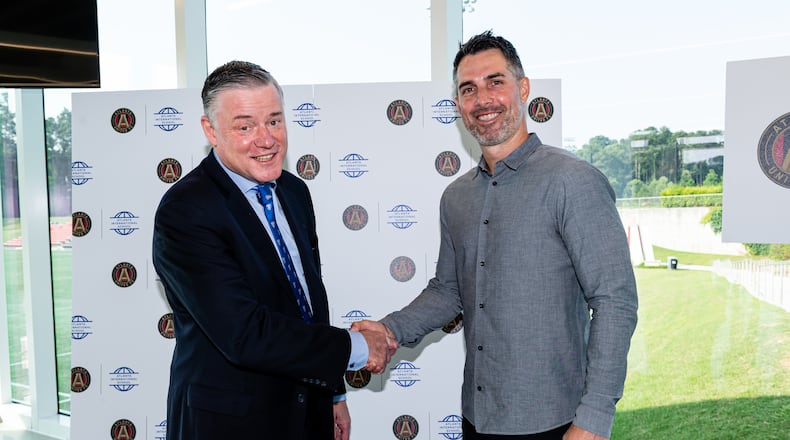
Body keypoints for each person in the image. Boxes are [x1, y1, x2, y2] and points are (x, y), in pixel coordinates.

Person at [353, 31, 638, 440]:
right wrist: (388, 329)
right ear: (458, 106)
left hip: (556, 422)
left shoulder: (573, 182)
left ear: (522, 89)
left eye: (495, 82)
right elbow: (447, 291)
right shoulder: (456, 197)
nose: (482, 100)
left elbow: (615, 302)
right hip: (477, 418)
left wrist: (593, 420)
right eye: (468, 89)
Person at [153, 60, 391, 440]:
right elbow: (244, 333)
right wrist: (357, 347)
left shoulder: (295, 191)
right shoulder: (185, 210)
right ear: (210, 130)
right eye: (245, 126)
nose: (266, 139)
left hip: (307, 411)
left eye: (275, 121)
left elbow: (310, 304)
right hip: (232, 423)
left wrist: (333, 392)